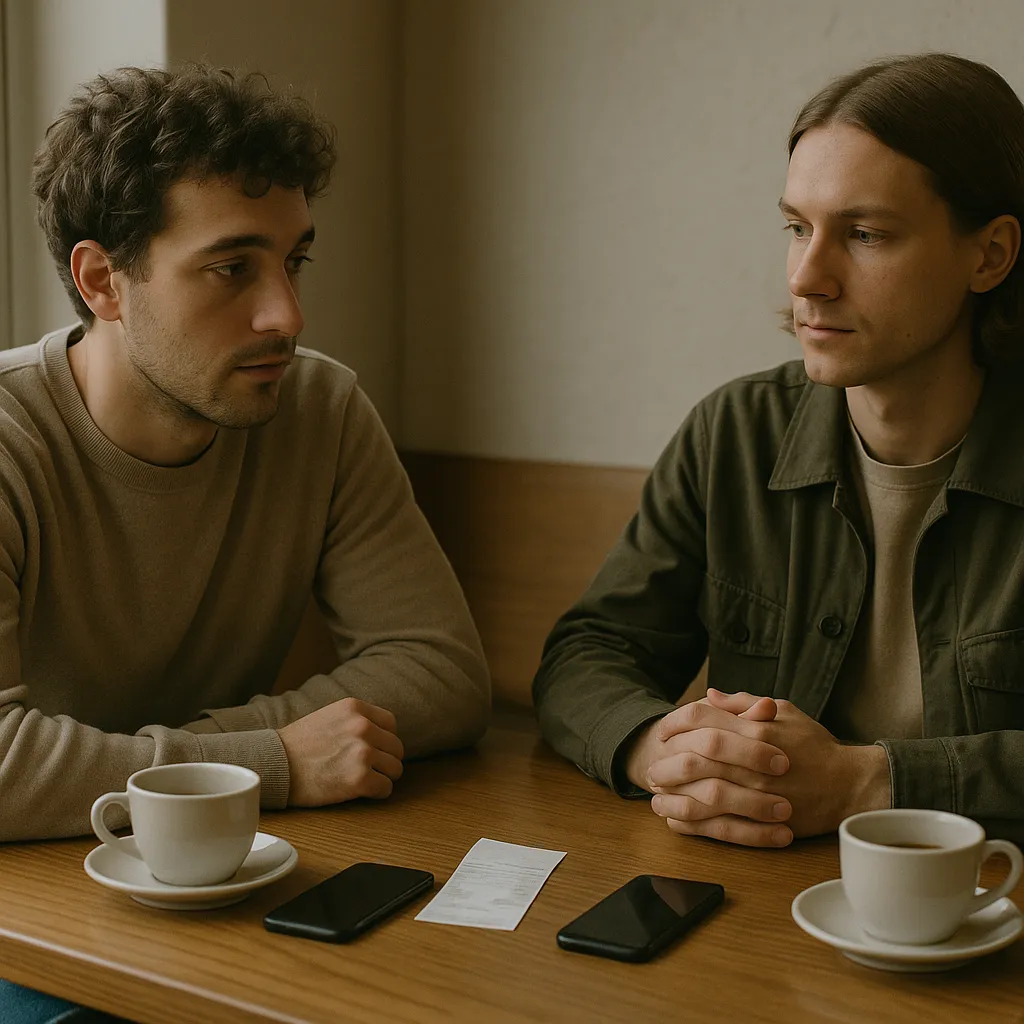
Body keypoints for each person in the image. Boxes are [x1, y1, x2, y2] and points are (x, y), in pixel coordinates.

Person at [0, 57, 491, 1024]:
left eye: (293, 260)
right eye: (233, 269)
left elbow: (439, 671)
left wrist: (197, 772)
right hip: (36, 916)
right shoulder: (10, 442)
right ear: (102, 280)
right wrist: (272, 761)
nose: (288, 317)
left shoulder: (319, 407)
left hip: (233, 885)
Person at [534, 52, 1024, 850]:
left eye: (864, 234)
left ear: (991, 255)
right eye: (797, 227)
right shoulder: (733, 433)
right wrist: (663, 750)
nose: (807, 276)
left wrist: (870, 780)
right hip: (760, 892)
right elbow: (589, 653)